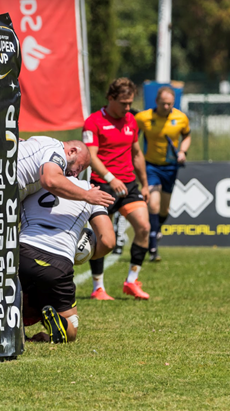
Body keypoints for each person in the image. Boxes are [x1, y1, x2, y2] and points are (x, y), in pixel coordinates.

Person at [20, 177, 115, 343]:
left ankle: (13, 328)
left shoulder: (33, 180)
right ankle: (61, 323)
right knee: (71, 331)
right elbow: (108, 241)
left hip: (24, 253)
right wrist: (80, 254)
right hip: (59, 263)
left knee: (9, 299)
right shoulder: (90, 191)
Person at [82, 78, 152, 301]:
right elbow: (91, 157)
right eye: (123, 103)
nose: (128, 108)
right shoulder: (93, 122)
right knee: (103, 237)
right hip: (102, 185)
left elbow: (137, 154)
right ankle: (98, 287)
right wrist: (110, 179)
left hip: (129, 184)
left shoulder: (132, 120)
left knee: (143, 227)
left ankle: (131, 281)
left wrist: (145, 183)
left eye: (130, 103)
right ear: (110, 98)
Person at [135, 86, 191, 262]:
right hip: (150, 166)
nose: (166, 107)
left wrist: (183, 151)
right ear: (156, 102)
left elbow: (187, 136)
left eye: (170, 104)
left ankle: (156, 228)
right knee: (153, 204)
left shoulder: (180, 118)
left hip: (170, 167)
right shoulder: (143, 118)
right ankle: (152, 248)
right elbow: (132, 137)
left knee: (164, 209)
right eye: (163, 103)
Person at [18, 136, 114, 207]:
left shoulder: (44, 142)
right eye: (79, 167)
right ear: (72, 151)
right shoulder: (58, 151)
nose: (75, 174)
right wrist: (87, 195)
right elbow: (50, 180)